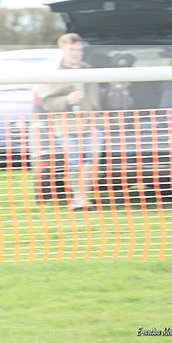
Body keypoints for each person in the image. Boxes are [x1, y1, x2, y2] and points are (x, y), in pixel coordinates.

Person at [40, 33, 104, 210]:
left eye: (78, 49)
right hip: (66, 127)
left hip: (92, 124)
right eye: (71, 49)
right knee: (74, 161)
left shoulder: (89, 70)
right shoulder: (54, 74)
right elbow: (47, 102)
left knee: (92, 159)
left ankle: (83, 197)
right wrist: (67, 100)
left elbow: (97, 99)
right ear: (62, 49)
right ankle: (78, 198)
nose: (76, 53)